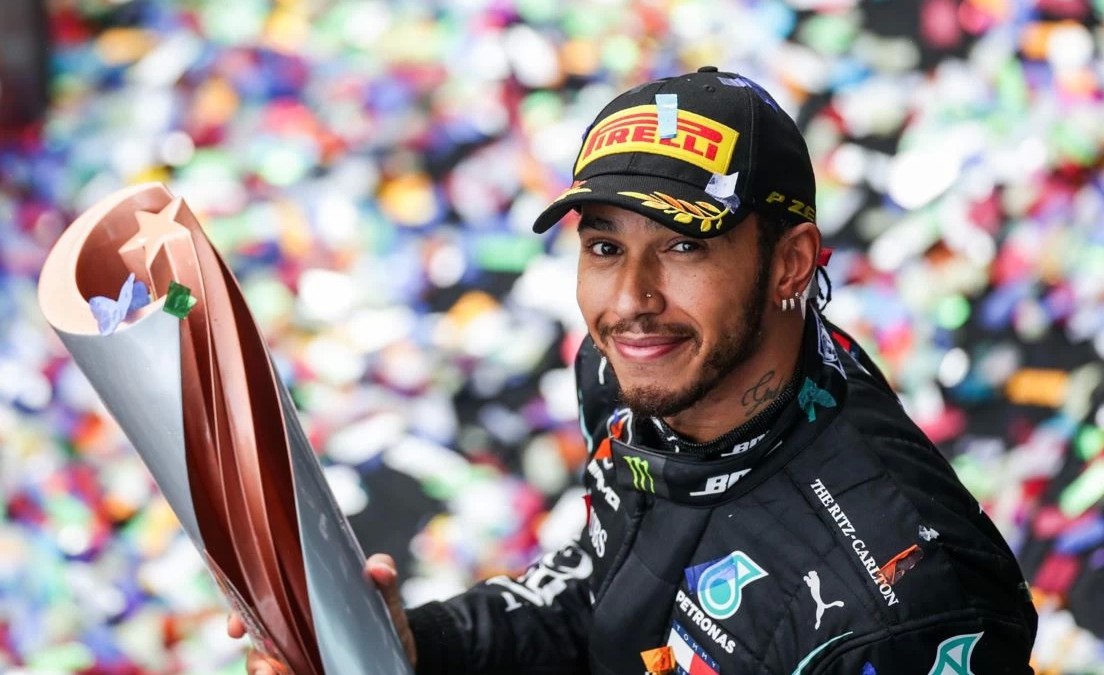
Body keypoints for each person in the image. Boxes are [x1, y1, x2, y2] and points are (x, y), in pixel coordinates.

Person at [231, 67, 1038, 674]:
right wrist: (419, 645)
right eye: (605, 245)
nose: (629, 303)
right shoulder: (632, 373)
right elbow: (611, 586)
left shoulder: (908, 605)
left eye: (685, 245)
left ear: (791, 263)